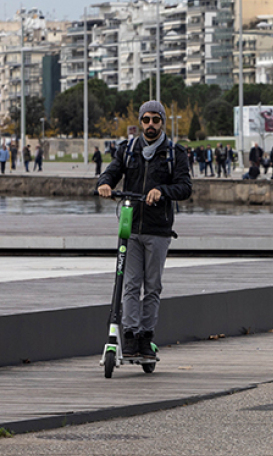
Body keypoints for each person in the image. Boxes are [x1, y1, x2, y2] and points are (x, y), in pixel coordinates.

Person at [96, 101, 192, 361]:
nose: (150, 125)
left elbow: (185, 187)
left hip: (158, 229)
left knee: (152, 287)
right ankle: (129, 336)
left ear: (162, 122)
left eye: (155, 120)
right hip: (130, 226)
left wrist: (162, 191)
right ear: (140, 121)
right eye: (146, 120)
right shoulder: (127, 150)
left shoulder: (174, 153)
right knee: (129, 284)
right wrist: (104, 184)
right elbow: (112, 172)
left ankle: (145, 337)